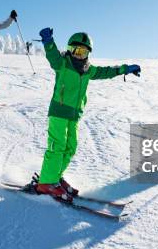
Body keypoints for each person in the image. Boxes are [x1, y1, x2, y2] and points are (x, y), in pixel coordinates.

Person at [32, 28, 141, 202]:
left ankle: (55, 176)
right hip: (59, 112)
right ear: (69, 49)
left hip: (74, 115)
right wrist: (48, 41)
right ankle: (46, 183)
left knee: (71, 147)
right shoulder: (62, 63)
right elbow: (52, 55)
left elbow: (107, 71)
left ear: (88, 53)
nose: (79, 54)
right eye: (76, 50)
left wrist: (125, 69)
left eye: (83, 51)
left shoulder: (88, 69)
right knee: (57, 146)